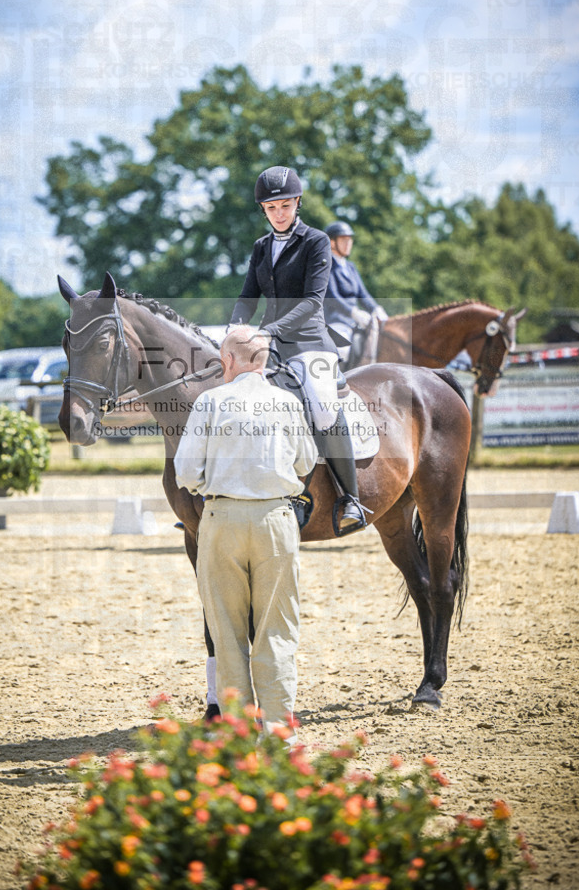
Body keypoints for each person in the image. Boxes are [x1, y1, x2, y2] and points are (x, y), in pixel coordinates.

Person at [173, 326, 317, 738]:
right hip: (276, 521)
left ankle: (237, 731)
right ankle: (277, 733)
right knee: (278, 629)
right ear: (265, 361)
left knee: (227, 631)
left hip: (221, 522)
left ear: (230, 361)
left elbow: (185, 472)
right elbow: (306, 462)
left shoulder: (209, 402)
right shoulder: (287, 402)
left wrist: (210, 486)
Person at [229, 166, 370, 534]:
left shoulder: (317, 241)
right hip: (267, 345)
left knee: (323, 408)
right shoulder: (261, 247)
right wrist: (235, 329)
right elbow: (247, 296)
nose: (279, 213)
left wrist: (269, 331)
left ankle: (350, 499)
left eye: (286, 205)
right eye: (272, 207)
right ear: (263, 209)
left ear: (297, 204)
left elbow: (311, 301)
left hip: (309, 343)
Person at [324, 220, 388, 367]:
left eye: (350, 240)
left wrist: (376, 309)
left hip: (355, 323)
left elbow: (362, 294)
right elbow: (332, 297)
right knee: (343, 350)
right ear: (332, 242)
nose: (348, 243)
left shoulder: (350, 267)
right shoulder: (325, 265)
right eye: (344, 240)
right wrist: (353, 312)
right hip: (334, 322)